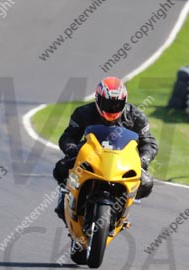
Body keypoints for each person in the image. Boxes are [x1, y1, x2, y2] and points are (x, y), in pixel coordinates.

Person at [53, 76, 158, 222]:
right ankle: (67, 198)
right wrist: (73, 151)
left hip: (121, 162)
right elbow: (68, 137)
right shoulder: (83, 113)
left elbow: (149, 142)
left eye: (117, 104)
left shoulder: (135, 115)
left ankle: (123, 206)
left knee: (146, 183)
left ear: (124, 102)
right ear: (97, 99)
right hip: (91, 157)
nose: (112, 108)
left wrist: (142, 160)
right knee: (61, 168)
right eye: (108, 103)